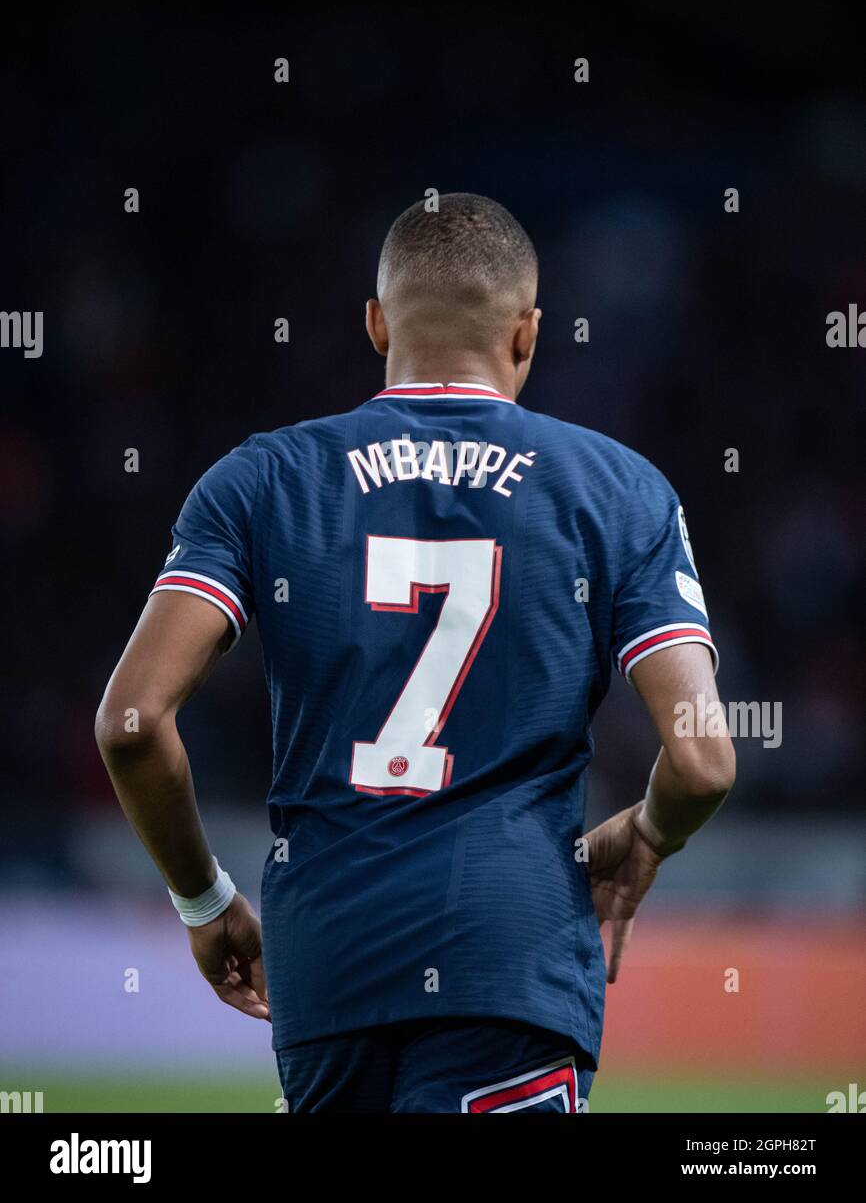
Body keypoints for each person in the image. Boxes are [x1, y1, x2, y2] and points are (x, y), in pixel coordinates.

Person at [96, 192, 735, 1113]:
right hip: (511, 954)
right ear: (527, 334)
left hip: (326, 960)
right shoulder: (620, 491)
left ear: (375, 323)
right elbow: (705, 760)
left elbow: (128, 723)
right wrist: (645, 837)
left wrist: (205, 902)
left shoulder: (261, 480)